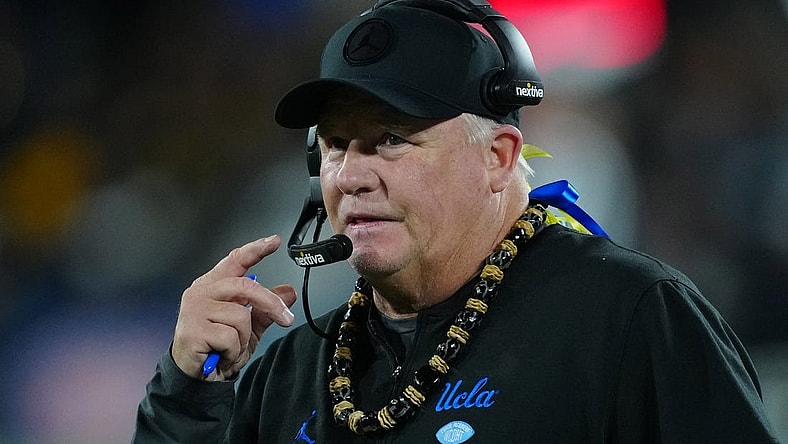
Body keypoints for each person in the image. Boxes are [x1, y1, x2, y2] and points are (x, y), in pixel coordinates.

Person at [133, 1, 779, 443]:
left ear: (498, 158)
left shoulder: (629, 318)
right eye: (335, 145)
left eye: (390, 139)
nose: (351, 174)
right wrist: (188, 394)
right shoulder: (292, 370)